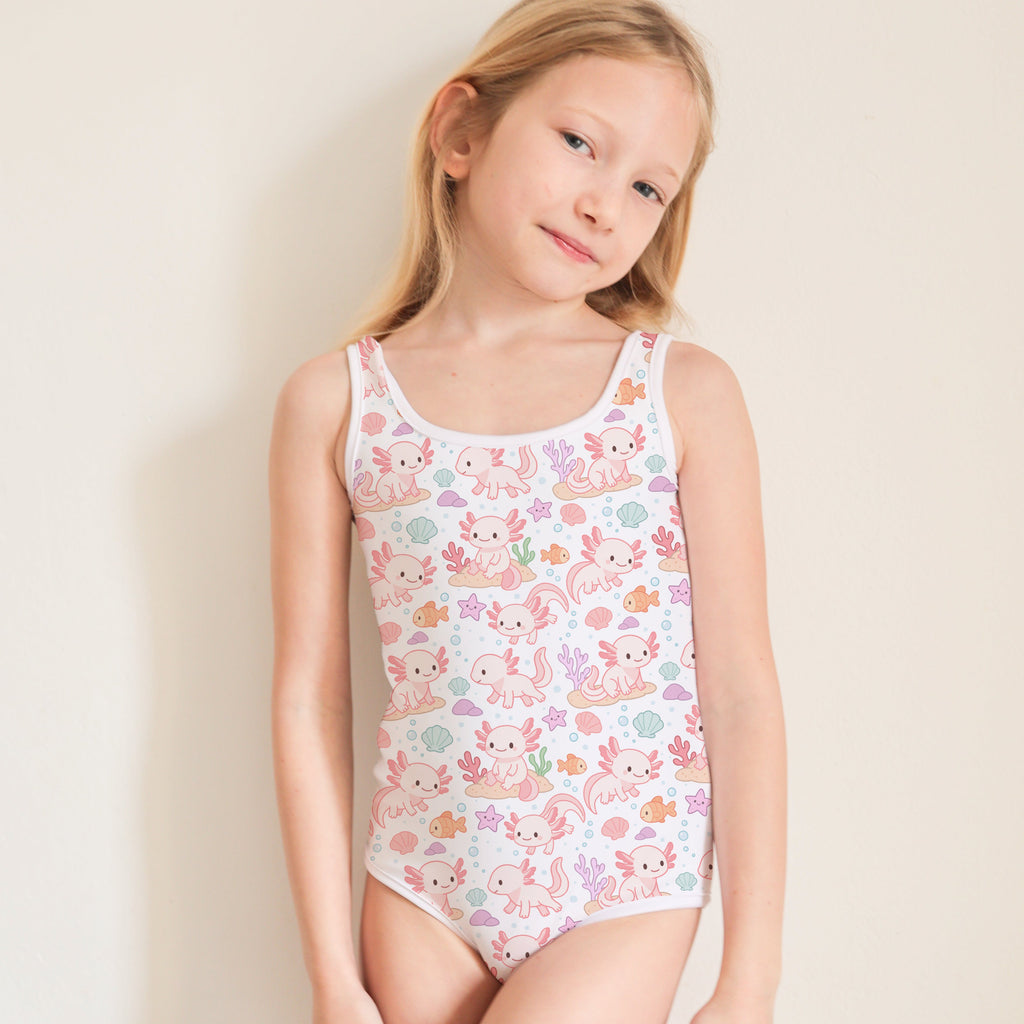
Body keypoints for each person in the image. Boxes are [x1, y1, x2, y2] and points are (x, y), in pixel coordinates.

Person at [268, 1, 786, 1022]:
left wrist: (749, 979)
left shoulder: (679, 393)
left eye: (646, 185)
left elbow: (739, 692)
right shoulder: (336, 403)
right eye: (579, 143)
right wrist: (331, 974)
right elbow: (308, 701)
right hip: (421, 881)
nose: (604, 204)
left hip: (620, 883)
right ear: (462, 131)